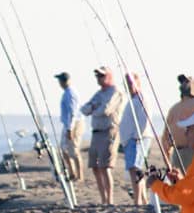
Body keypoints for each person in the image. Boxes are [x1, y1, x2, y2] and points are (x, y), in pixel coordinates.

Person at [80, 65, 124, 205]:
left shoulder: (115, 91)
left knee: (105, 167)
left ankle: (109, 199)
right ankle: (103, 198)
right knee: (95, 166)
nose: (99, 79)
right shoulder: (98, 93)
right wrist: (94, 107)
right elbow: (84, 109)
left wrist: (94, 108)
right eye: (97, 76)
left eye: (102, 76)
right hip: (96, 133)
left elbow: (106, 109)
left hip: (109, 131)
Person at [119, 72, 153, 205]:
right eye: (127, 83)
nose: (129, 86)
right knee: (133, 170)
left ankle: (138, 200)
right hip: (130, 140)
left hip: (139, 138)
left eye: (131, 83)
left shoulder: (142, 98)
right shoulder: (132, 99)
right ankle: (142, 199)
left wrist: (138, 136)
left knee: (135, 169)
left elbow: (145, 119)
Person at [163, 74, 194, 171]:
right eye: (182, 82)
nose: (183, 84)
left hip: (193, 152)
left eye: (186, 82)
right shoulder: (174, 109)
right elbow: (165, 135)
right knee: (178, 185)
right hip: (177, 153)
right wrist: (167, 157)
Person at [54, 71, 84, 182]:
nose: (60, 83)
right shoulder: (67, 92)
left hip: (74, 124)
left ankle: (79, 176)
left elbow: (73, 112)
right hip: (68, 124)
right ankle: (72, 173)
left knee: (73, 150)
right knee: (64, 148)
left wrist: (70, 128)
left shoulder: (71, 93)